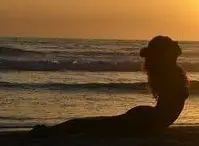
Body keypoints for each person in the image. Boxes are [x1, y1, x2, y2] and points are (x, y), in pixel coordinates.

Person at [31, 36, 189, 136]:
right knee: (98, 124)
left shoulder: (170, 76)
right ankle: (54, 131)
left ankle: (52, 132)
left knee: (93, 125)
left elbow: (167, 110)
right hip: (151, 120)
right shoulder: (175, 75)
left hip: (149, 121)